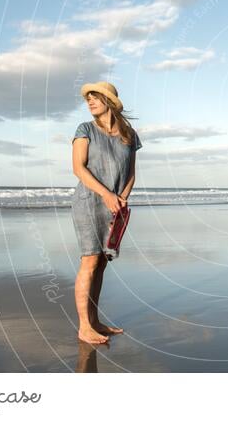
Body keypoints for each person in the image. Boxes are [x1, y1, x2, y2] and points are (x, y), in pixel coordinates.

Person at [71, 81, 142, 344]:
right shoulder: (85, 129)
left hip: (115, 206)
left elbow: (131, 173)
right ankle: (83, 327)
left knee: (101, 265)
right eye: (87, 99)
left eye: (95, 97)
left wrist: (122, 198)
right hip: (88, 203)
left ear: (109, 101)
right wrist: (107, 194)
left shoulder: (129, 135)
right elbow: (79, 169)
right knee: (89, 262)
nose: (89, 102)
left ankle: (95, 320)